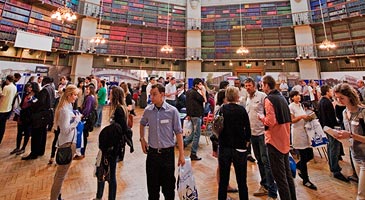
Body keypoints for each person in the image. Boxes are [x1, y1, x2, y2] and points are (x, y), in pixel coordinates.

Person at [139, 83, 185, 200]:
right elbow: (142, 123)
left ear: (162, 95)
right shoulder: (148, 110)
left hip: (167, 155)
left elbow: (179, 133)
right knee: (152, 190)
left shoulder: (172, 111)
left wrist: (181, 154)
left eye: (154, 94)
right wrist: (142, 139)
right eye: (150, 95)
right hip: (152, 155)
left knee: (169, 190)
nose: (151, 97)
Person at [258, 75, 296, 200]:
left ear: (267, 85)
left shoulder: (269, 99)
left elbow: (270, 121)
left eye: (262, 84)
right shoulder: (282, 98)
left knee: (279, 177)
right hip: (284, 139)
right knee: (287, 175)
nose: (261, 87)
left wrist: (260, 117)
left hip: (274, 141)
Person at [94, 86, 131, 200]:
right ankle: (100, 196)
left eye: (110, 94)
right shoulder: (121, 108)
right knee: (107, 171)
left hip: (113, 148)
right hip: (113, 147)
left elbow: (121, 129)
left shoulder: (119, 110)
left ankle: (106, 197)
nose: (109, 96)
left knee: (109, 173)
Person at [244, 78, 278, 199]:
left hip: (263, 133)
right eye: (246, 86)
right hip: (253, 134)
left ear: (255, 86)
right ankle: (264, 185)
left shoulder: (263, 96)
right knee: (259, 160)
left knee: (266, 161)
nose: (247, 88)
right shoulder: (247, 98)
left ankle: (272, 189)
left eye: (249, 85)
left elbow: (269, 113)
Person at [217, 86, 251, 200]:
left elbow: (216, 127)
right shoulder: (242, 109)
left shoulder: (222, 109)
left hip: (224, 147)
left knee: (223, 180)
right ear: (237, 96)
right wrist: (247, 141)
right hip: (239, 147)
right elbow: (248, 127)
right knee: (242, 180)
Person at [50, 85, 82, 200]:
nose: (76, 97)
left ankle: (57, 195)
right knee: (60, 175)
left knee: (61, 174)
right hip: (66, 143)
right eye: (74, 95)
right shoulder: (64, 110)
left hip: (70, 141)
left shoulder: (68, 106)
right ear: (69, 95)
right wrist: (76, 122)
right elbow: (64, 130)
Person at [334, 83, 365, 199]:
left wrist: (351, 135)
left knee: (361, 195)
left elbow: (353, 134)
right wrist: (340, 135)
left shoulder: (362, 112)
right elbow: (348, 134)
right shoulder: (344, 113)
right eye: (337, 98)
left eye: (342, 98)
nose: (339, 100)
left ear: (350, 96)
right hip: (354, 155)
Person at [318, 85, 349, 182]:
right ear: (327, 92)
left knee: (331, 147)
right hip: (331, 128)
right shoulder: (327, 102)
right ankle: (335, 169)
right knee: (334, 149)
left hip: (326, 127)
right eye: (330, 91)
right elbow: (331, 117)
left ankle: (333, 166)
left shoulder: (321, 101)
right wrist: (337, 126)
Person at [288, 91, 317, 190]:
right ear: (292, 97)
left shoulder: (301, 105)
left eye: (298, 95)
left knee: (310, 155)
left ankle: (298, 166)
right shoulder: (291, 106)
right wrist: (301, 117)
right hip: (298, 133)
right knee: (304, 156)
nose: (298, 97)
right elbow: (291, 120)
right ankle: (306, 180)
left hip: (305, 132)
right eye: (296, 95)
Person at [22, 77, 55, 160]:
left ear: (44, 81)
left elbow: (40, 103)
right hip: (46, 115)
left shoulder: (44, 90)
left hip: (40, 116)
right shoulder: (51, 88)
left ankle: (34, 153)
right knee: (42, 134)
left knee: (36, 134)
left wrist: (32, 102)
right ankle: (40, 151)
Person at [10, 82, 39, 155]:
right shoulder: (25, 95)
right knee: (19, 133)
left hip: (28, 118)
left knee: (27, 133)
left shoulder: (36, 96)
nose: (28, 88)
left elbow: (34, 107)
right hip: (21, 116)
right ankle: (17, 147)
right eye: (28, 87)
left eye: (30, 87)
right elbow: (21, 104)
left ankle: (23, 148)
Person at [184, 78, 206, 161]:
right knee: (197, 134)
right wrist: (203, 91)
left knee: (193, 133)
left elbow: (188, 104)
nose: (201, 86)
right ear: (197, 84)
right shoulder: (195, 93)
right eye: (200, 84)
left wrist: (188, 114)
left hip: (192, 115)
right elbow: (204, 100)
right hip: (197, 115)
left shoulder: (189, 92)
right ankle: (193, 153)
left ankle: (184, 143)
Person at [75, 84, 97, 159]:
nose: (87, 91)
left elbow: (87, 109)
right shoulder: (92, 97)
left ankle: (81, 153)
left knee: (83, 136)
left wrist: (82, 115)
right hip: (89, 119)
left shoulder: (89, 98)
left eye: (88, 89)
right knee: (84, 136)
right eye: (86, 89)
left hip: (86, 120)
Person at [0, 75, 17, 144]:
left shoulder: (6, 87)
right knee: (2, 125)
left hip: (2, 108)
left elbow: (2, 98)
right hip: (8, 108)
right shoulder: (14, 87)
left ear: (7, 80)